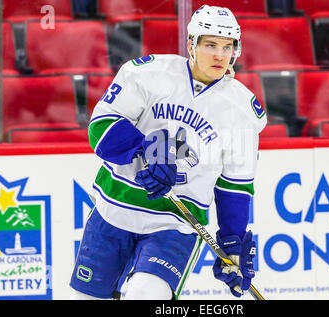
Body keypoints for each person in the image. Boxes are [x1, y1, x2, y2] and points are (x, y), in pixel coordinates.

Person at [69, 4, 266, 300]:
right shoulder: (148, 74)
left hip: (175, 223)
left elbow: (234, 185)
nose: (219, 55)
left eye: (227, 47)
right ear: (191, 45)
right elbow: (100, 127)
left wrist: (233, 246)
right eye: (210, 44)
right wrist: (146, 150)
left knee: (144, 295)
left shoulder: (243, 111)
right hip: (115, 209)